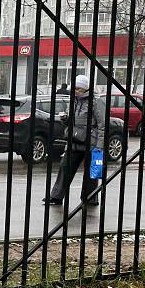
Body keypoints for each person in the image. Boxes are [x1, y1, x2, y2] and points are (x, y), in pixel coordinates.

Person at [45, 73, 107, 209]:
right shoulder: (74, 101)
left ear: (86, 89)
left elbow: (103, 125)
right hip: (75, 140)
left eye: (79, 89)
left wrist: (100, 146)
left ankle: (90, 198)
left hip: (93, 142)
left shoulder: (96, 102)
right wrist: (65, 119)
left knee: (93, 172)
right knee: (65, 167)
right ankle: (56, 196)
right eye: (75, 88)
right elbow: (71, 122)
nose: (76, 91)